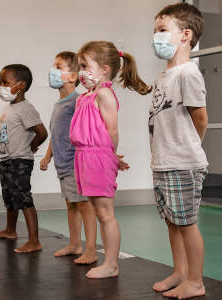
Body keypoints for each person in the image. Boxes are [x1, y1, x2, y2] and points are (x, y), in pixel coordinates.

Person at [70, 41, 151, 279]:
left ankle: (112, 264)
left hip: (97, 156)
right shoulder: (84, 96)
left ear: (105, 68)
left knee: (106, 213)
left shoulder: (104, 93)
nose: (81, 70)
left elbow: (112, 130)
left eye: (85, 65)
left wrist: (110, 156)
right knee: (98, 211)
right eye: (80, 65)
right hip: (83, 156)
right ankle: (108, 261)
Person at [150, 3, 208, 299]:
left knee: (187, 223)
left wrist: (186, 149)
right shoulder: (164, 76)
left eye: (162, 30)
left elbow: (201, 120)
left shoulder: (188, 73)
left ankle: (196, 281)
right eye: (155, 31)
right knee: (173, 221)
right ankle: (180, 271)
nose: (156, 37)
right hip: (163, 162)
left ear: (185, 35)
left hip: (183, 162)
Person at [40, 51, 98, 263]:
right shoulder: (58, 105)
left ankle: (90, 248)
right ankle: (75, 244)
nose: (52, 71)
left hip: (77, 165)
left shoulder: (78, 101)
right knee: (71, 204)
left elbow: (89, 129)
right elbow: (56, 134)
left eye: (58, 67)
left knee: (84, 205)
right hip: (62, 165)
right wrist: (47, 156)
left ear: (73, 76)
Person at [0, 64, 47, 253]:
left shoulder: (25, 108)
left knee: (23, 197)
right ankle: (10, 230)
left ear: (21, 85)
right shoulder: (10, 107)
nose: (1, 86)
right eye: (0, 82)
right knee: (10, 196)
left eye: (5, 82)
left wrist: (31, 146)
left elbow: (42, 132)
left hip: (20, 160)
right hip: (7, 159)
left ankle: (34, 240)